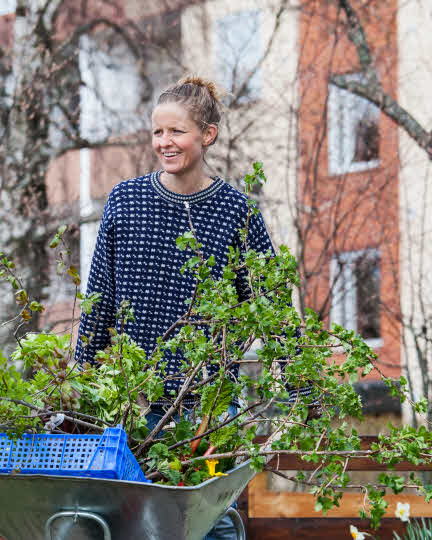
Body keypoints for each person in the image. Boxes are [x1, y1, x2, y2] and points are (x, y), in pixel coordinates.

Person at [75, 76, 312, 540]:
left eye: (176, 132)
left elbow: (272, 307)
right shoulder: (125, 203)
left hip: (209, 406)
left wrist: (304, 391)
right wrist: (79, 382)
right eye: (158, 132)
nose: (165, 142)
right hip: (135, 402)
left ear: (207, 134)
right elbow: (98, 299)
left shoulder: (235, 212)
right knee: (140, 525)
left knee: (212, 522)